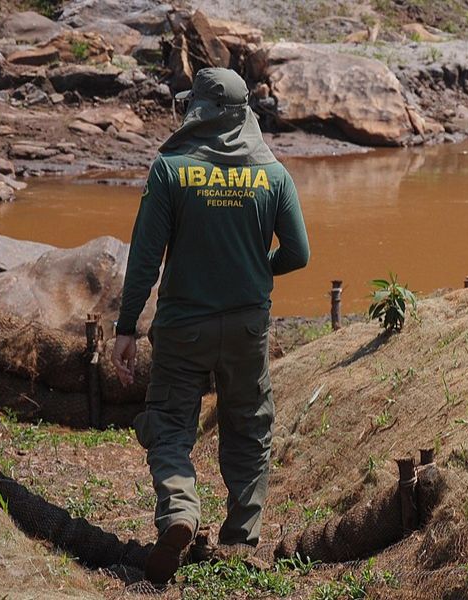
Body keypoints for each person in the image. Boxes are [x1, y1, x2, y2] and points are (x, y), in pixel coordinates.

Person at [111, 67, 310, 585]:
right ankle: (240, 538)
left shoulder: (170, 170)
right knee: (249, 427)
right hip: (247, 328)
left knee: (169, 423)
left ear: (197, 110)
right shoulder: (274, 174)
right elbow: (299, 253)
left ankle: (180, 509)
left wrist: (126, 327)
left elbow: (145, 260)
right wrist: (255, 270)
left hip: (183, 329)